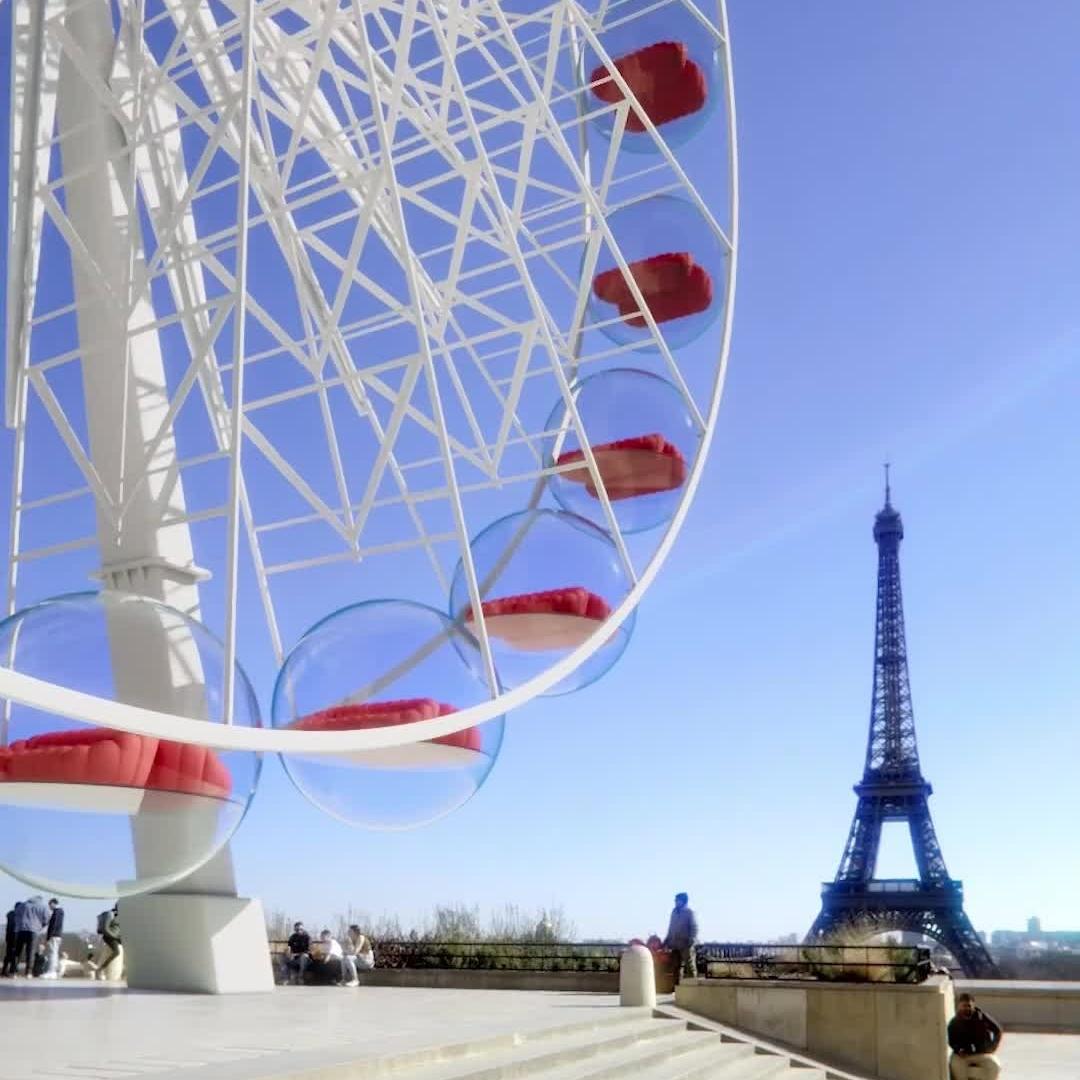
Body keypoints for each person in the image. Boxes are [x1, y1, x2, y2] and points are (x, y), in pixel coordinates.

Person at [948, 992, 1003, 1079]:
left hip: (981, 1053)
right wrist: (958, 1050)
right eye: (964, 1006)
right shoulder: (954, 1022)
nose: (966, 1008)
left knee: (994, 1065)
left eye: (969, 1006)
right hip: (962, 1055)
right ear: (959, 1006)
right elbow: (951, 1040)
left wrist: (992, 1047)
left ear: (973, 1005)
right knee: (956, 1067)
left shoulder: (982, 1017)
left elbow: (998, 1030)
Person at [663, 892, 699, 984]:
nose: (675, 902)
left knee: (690, 967)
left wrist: (691, 940)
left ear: (683, 901)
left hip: (686, 944)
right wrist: (667, 940)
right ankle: (677, 987)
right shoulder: (674, 912)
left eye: (677, 900)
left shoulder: (689, 912)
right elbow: (671, 927)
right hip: (674, 944)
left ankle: (693, 986)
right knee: (675, 966)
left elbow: (694, 927)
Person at [14, 895, 48, 977]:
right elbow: (46, 919)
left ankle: (13, 971)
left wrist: (19, 925)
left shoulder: (23, 905)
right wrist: (40, 926)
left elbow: (16, 914)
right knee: (31, 952)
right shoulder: (42, 906)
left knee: (17, 951)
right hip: (34, 930)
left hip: (21, 929)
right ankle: (28, 972)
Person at [89, 906, 121, 980]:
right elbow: (106, 929)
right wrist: (116, 937)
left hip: (115, 937)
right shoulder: (111, 914)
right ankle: (101, 969)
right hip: (109, 937)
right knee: (116, 952)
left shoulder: (119, 915)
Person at [41, 898, 65, 979]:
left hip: (54, 935)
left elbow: (53, 925)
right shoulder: (60, 912)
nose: (49, 907)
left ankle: (51, 971)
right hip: (57, 935)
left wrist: (49, 936)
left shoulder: (57, 912)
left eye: (50, 905)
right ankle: (53, 971)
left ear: (53, 903)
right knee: (54, 953)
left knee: (52, 953)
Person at [2, 905, 17, 977]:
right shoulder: (17, 915)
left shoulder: (10, 914)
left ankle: (4, 970)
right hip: (15, 936)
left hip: (9, 936)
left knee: (8, 954)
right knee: (14, 954)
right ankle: (12, 970)